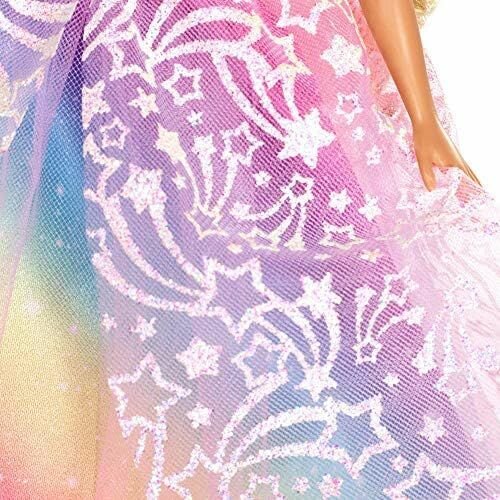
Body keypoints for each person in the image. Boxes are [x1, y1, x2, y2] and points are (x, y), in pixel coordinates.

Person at [0, 0, 498, 498]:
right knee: (113, 306)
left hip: (270, 67)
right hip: (119, 69)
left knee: (345, 291)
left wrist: (422, 118)